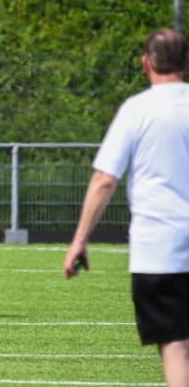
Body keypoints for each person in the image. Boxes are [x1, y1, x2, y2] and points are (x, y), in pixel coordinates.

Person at [63, 28, 189, 387]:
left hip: (159, 250)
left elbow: (105, 179)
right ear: (187, 63)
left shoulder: (136, 110)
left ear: (145, 64)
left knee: (176, 346)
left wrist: (79, 241)